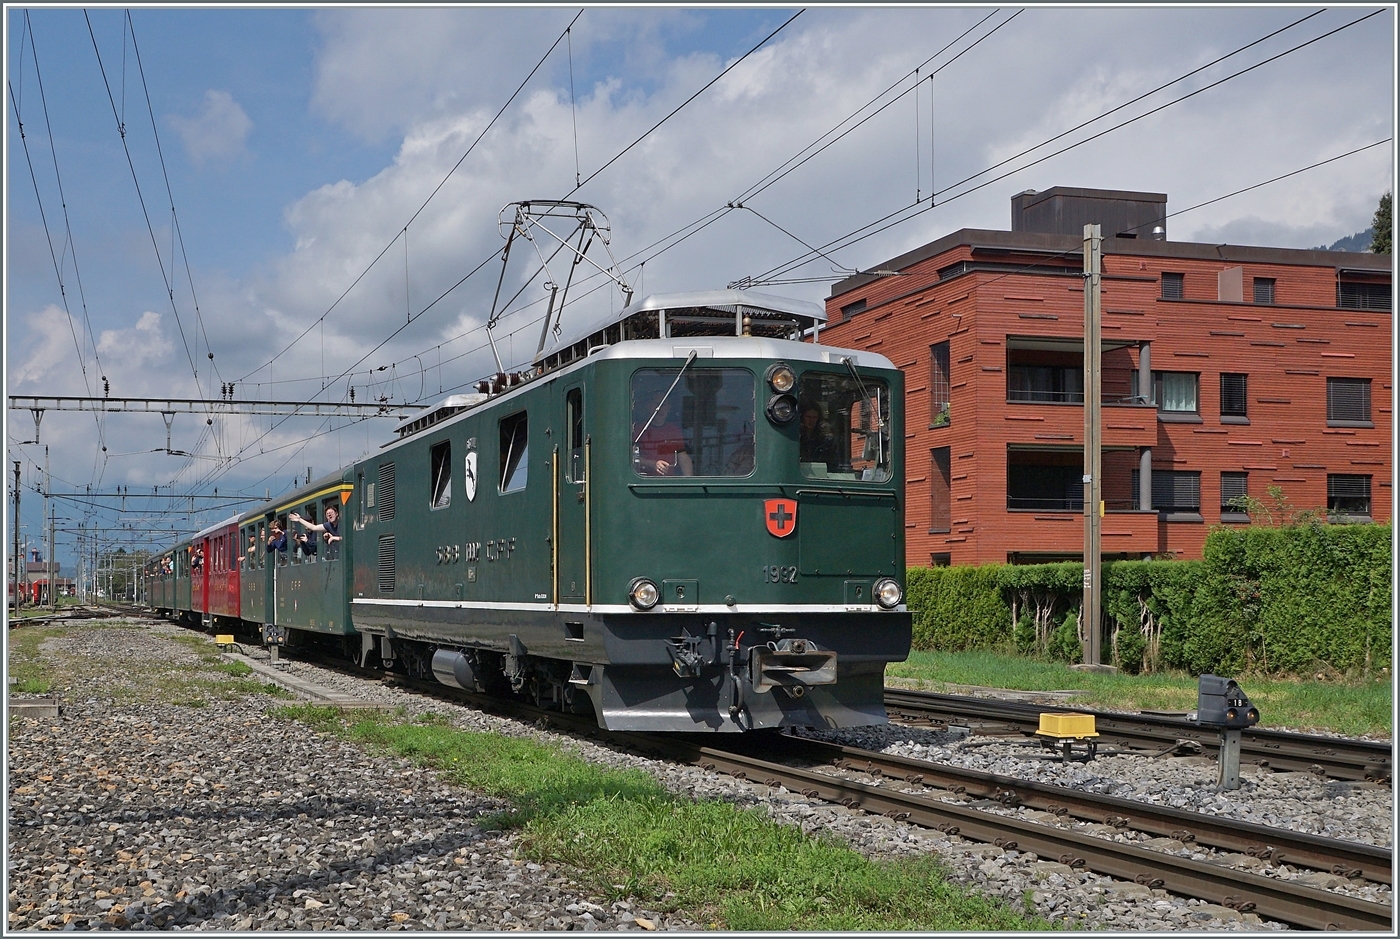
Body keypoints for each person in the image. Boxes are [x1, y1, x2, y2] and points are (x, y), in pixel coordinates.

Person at [633, 387, 693, 476]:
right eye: (656, 404)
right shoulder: (638, 430)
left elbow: (683, 458)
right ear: (648, 406)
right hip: (644, 482)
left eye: (664, 405)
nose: (660, 408)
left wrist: (689, 484)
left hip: (668, 483)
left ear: (669, 408)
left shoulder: (674, 431)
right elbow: (631, 457)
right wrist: (652, 464)